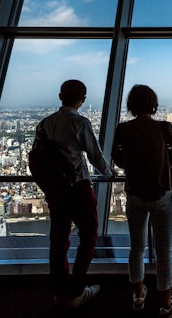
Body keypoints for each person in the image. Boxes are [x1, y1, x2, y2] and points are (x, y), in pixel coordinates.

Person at [35, 79, 114, 308]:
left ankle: (60, 292)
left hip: (54, 189)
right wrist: (109, 175)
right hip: (77, 188)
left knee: (58, 240)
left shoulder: (44, 124)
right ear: (83, 100)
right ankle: (77, 290)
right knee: (89, 234)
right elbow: (95, 156)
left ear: (60, 96)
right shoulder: (80, 123)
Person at [112, 85, 172, 317]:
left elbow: (118, 159)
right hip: (160, 194)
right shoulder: (164, 128)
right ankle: (166, 304)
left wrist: (137, 163)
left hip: (134, 195)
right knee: (164, 252)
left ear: (131, 105)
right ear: (153, 104)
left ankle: (138, 296)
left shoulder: (122, 129)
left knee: (136, 248)